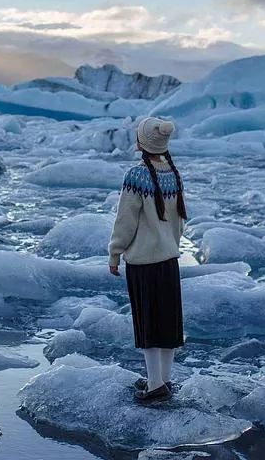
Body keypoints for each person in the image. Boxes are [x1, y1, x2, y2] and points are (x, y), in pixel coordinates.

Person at [108, 116, 187, 403]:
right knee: (167, 323)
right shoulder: (174, 174)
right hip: (169, 261)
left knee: (148, 324)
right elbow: (180, 221)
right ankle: (165, 379)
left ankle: (154, 385)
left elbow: (125, 222)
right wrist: (170, 245)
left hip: (143, 262)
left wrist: (115, 252)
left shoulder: (136, 176)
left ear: (142, 143)